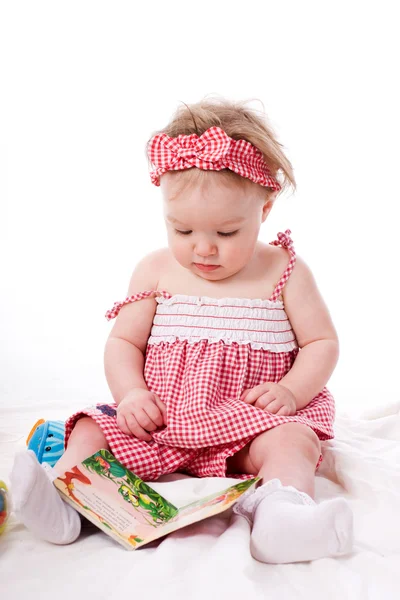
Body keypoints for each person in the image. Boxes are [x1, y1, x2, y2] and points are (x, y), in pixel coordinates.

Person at [10, 97, 354, 563]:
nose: (203, 249)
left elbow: (322, 342)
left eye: (227, 233)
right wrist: (131, 395)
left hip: (247, 424)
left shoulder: (284, 271)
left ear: (265, 209)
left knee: (294, 441)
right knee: (91, 429)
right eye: (182, 230)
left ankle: (281, 519)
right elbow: (124, 342)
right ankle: (69, 502)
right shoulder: (154, 270)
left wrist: (292, 391)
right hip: (163, 421)